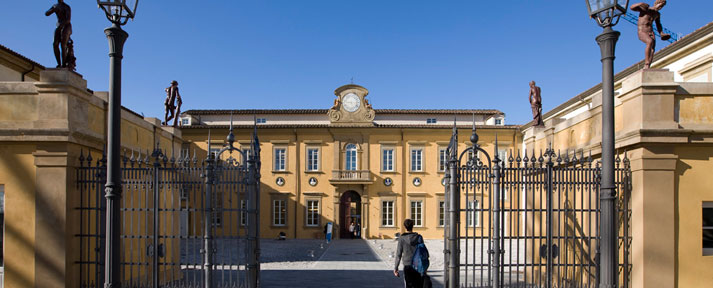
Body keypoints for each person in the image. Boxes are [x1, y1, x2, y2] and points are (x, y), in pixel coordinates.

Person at [631, 0, 670, 69]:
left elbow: (658, 25)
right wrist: (640, 3)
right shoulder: (646, 9)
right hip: (642, 31)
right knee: (649, 42)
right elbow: (632, 7)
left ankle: (648, 66)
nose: (661, 6)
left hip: (651, 32)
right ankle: (646, 62)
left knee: (652, 49)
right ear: (656, 3)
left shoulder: (657, 14)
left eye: (663, 5)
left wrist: (661, 33)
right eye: (661, 4)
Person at [393, 219, 423, 288]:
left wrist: (396, 268)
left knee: (408, 285)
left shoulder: (402, 238)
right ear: (413, 226)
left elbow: (398, 254)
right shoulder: (419, 237)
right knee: (418, 285)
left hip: (407, 265)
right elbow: (422, 252)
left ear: (405, 227)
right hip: (417, 265)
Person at [45, 0, 73, 69]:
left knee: (63, 44)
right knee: (55, 44)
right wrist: (53, 10)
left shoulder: (66, 7)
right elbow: (46, 13)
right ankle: (59, 64)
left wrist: (62, 25)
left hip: (67, 26)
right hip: (59, 26)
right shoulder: (55, 6)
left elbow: (68, 19)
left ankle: (64, 64)